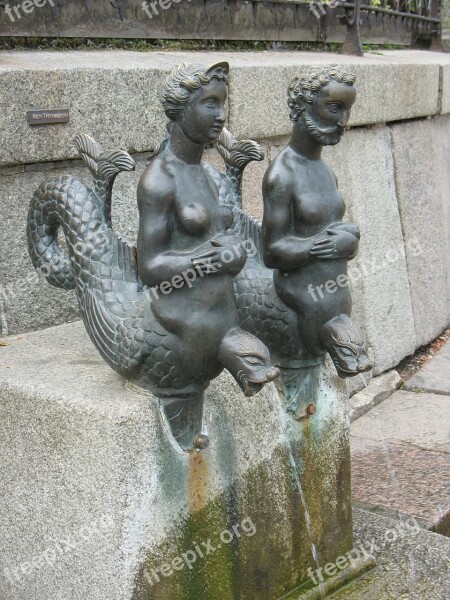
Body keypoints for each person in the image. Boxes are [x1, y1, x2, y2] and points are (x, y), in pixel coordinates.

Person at [262, 65, 372, 377]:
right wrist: (326, 245)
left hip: (335, 292)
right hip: (302, 297)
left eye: (348, 110)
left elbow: (329, 223)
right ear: (303, 106)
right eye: (334, 108)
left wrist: (349, 237)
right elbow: (272, 251)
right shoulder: (282, 175)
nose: (343, 122)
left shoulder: (324, 170)